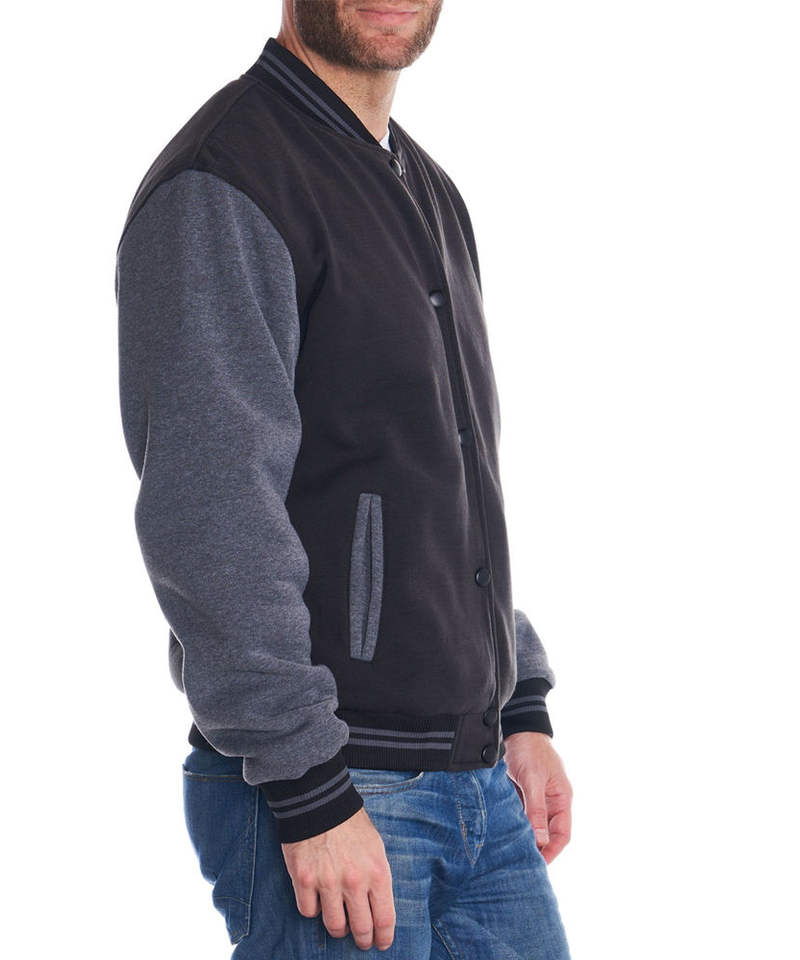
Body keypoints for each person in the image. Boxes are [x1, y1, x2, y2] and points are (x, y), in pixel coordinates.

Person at [115, 1, 573, 955]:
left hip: (477, 780)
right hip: (336, 784)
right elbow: (211, 511)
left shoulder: (425, 187)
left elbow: (444, 478)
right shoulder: (225, 182)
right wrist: (309, 785)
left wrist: (516, 701)